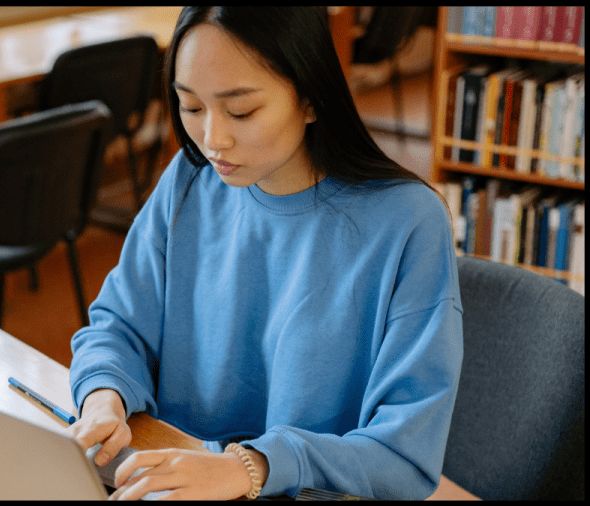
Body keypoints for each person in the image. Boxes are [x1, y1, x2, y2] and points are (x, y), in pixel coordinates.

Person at [67, 6, 463, 500]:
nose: (213, 139)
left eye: (241, 111)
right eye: (191, 107)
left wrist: (251, 466)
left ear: (312, 99)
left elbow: (404, 456)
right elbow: (118, 326)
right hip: (169, 482)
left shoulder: (408, 222)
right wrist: (104, 396)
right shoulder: (190, 179)